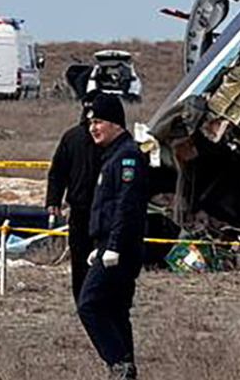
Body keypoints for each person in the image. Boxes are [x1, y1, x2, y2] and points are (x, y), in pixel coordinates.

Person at [77, 94, 149, 380]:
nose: (93, 128)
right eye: (90, 123)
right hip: (108, 244)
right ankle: (125, 371)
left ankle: (119, 364)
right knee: (115, 310)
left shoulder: (127, 156)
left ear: (116, 123)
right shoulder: (112, 156)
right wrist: (99, 245)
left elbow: (127, 205)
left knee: (90, 304)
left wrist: (114, 246)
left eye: (99, 122)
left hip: (120, 246)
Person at [45, 92, 103, 303]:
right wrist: (53, 200)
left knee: (103, 258)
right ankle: (82, 299)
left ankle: (99, 299)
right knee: (79, 259)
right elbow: (58, 171)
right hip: (79, 209)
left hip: (104, 211)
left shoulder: (110, 142)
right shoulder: (72, 137)